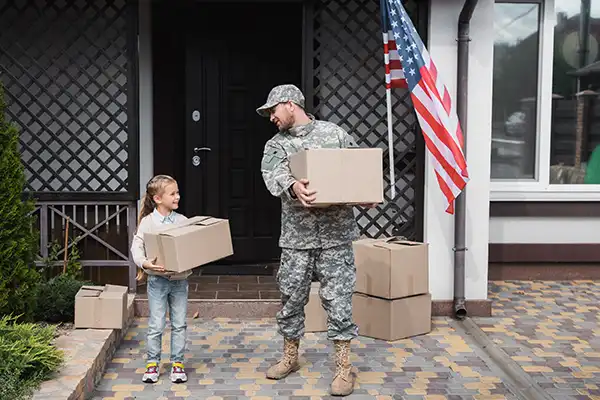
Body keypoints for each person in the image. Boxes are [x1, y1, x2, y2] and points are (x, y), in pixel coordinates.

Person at [257, 84, 365, 396]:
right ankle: (290, 356)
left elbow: (359, 169)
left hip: (336, 236)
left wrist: (366, 194)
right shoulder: (276, 145)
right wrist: (293, 186)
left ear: (290, 104)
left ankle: (344, 368)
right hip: (296, 238)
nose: (271, 118)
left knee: (339, 300)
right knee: (291, 298)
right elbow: (272, 175)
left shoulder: (335, 134)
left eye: (273, 111)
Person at [130, 174, 190, 384]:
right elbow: (136, 248)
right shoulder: (148, 223)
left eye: (178, 192)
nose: (177, 197)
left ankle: (177, 364)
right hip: (157, 282)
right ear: (157, 198)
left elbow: (190, 248)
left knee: (180, 324)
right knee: (156, 324)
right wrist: (145, 264)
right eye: (173, 193)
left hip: (179, 281)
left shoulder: (183, 221)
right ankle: (152, 364)